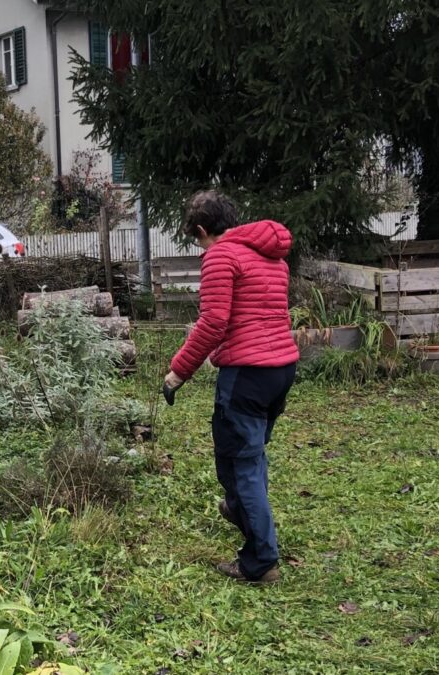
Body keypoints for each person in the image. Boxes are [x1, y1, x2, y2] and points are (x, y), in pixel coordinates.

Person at [164, 190, 299, 584]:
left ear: (203, 230)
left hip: (246, 375)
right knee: (250, 459)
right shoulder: (271, 256)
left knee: (240, 466)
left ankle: (260, 561)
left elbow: (213, 322)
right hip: (281, 370)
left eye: (196, 238)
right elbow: (255, 316)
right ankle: (241, 507)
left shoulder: (221, 256)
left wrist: (177, 373)